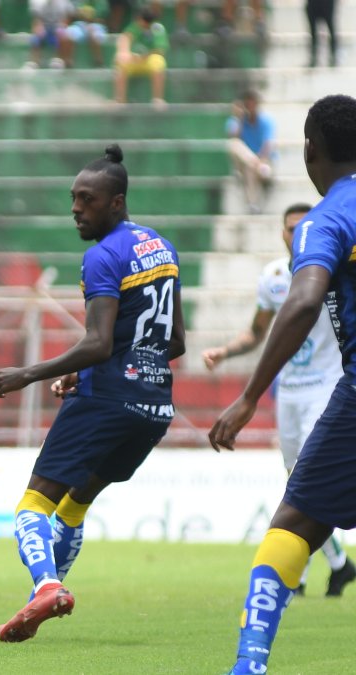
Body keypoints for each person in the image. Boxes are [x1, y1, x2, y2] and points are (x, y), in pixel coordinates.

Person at [0, 144, 185, 643]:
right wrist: (94, 370)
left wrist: (26, 374)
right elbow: (174, 341)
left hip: (108, 400)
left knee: (34, 504)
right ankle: (51, 591)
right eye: (73, 198)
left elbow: (98, 342)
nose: (76, 208)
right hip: (155, 406)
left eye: (87, 199)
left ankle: (48, 585)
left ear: (116, 203)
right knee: (75, 506)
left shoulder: (103, 255)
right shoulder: (162, 248)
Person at [209, 94, 356, 675]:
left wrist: (248, 396)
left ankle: (249, 666)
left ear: (310, 150)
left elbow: (303, 298)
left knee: (293, 523)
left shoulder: (329, 215)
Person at [202, 203, 356, 598]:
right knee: (297, 482)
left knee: (307, 477)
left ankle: (297, 573)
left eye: (300, 227)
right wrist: (225, 351)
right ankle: (338, 565)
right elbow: (257, 333)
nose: (294, 234)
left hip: (327, 386)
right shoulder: (273, 278)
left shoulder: (331, 268)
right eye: (289, 228)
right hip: (288, 393)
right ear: (281, 233)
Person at [226, 90, 276, 215]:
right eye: (247, 104)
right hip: (251, 164)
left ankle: (253, 203)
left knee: (250, 168)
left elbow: (268, 144)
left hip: (265, 163)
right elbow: (233, 136)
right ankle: (253, 203)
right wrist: (239, 119)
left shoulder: (266, 121)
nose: (250, 107)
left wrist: (261, 160)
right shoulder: (237, 122)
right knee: (234, 144)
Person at [113, 8, 169, 107]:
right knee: (120, 64)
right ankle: (120, 100)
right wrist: (123, 52)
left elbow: (160, 50)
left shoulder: (157, 28)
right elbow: (125, 37)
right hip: (134, 61)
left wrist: (141, 57)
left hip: (148, 60)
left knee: (159, 62)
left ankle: (157, 99)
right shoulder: (135, 26)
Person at [305, 0, 338, 68]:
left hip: (325, 3)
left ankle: (333, 56)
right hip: (315, 4)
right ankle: (314, 57)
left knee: (330, 28)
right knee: (313, 32)